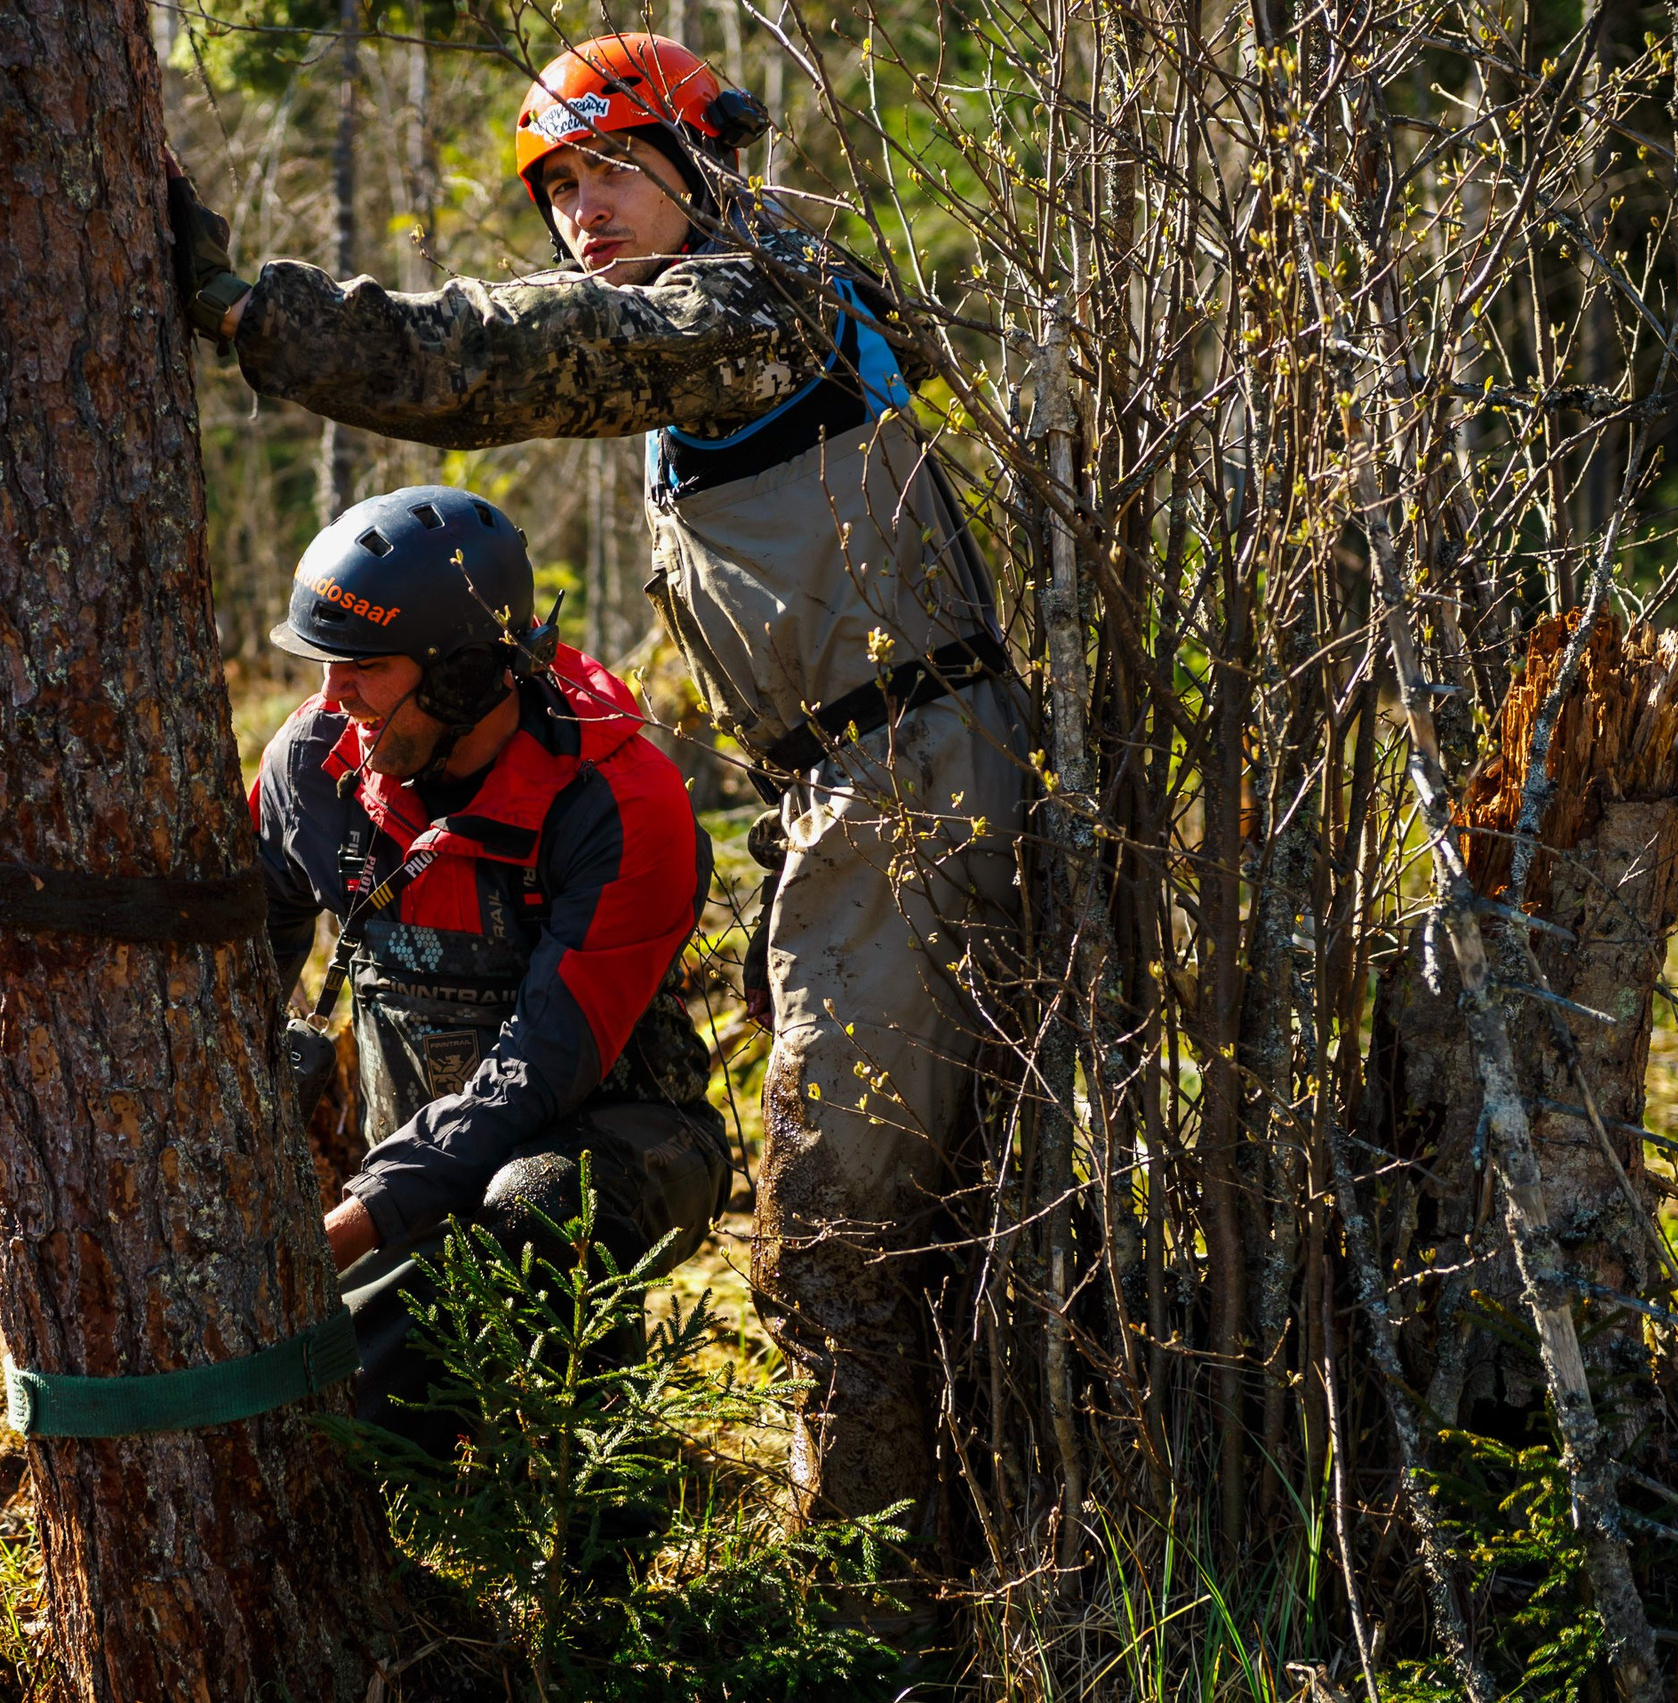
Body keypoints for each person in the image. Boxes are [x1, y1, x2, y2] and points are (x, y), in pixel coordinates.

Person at [176, 34, 1031, 1526]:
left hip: (911, 782)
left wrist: (256, 313)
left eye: (616, 169)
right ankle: (952, 1531)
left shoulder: (748, 303)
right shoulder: (742, 330)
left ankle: (866, 1600)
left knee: (835, 1221)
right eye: (559, 186)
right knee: (906, 1200)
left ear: (709, 160)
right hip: (845, 786)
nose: (584, 211)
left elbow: (498, 356)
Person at [251, 484, 729, 1450]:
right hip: (405, 1147)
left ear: (467, 676)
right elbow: (234, 962)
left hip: (619, 1136)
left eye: (364, 670)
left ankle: (589, 1526)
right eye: (326, 670)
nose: (333, 703)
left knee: (541, 1202)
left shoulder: (619, 801)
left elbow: (537, 1070)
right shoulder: (313, 762)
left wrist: (348, 1228)